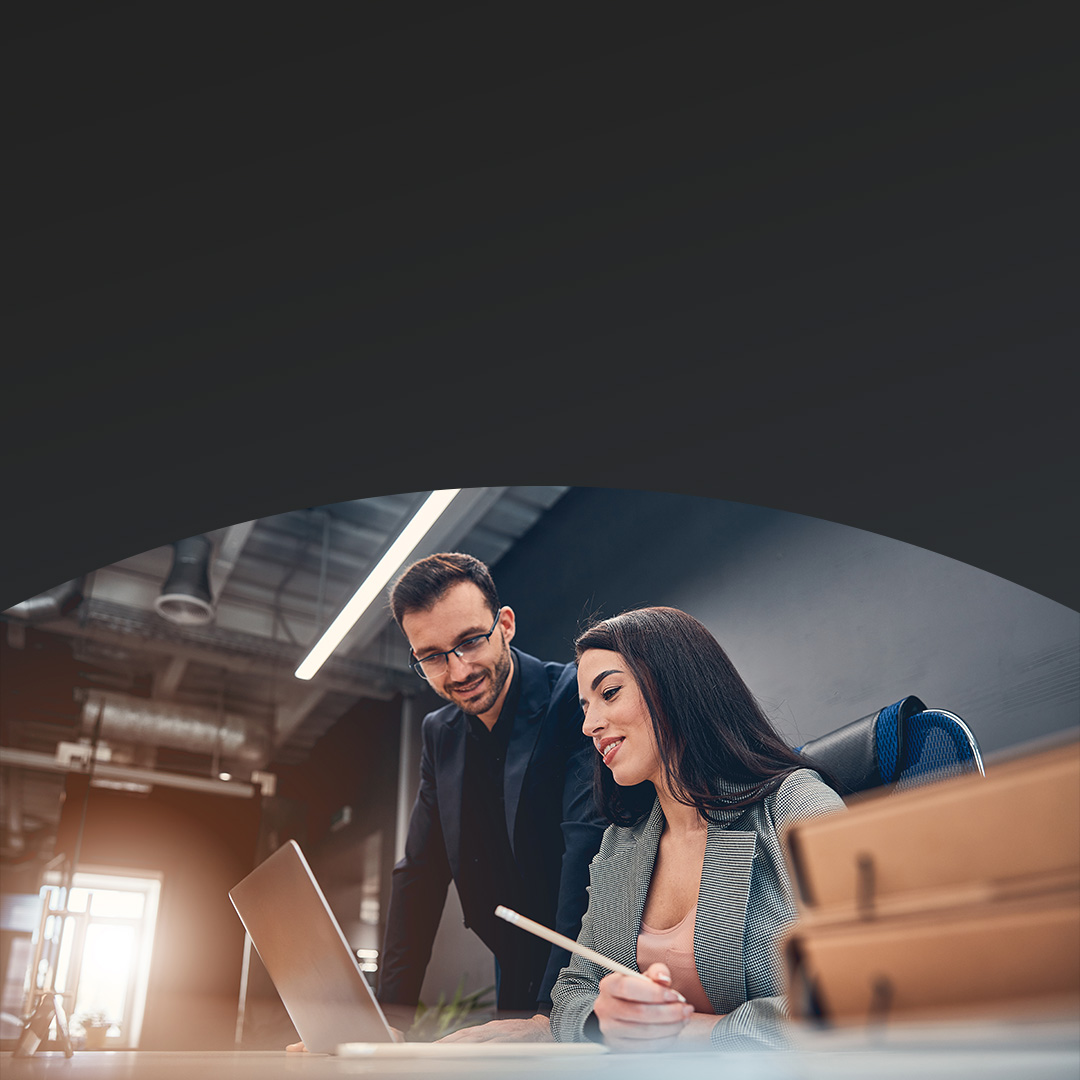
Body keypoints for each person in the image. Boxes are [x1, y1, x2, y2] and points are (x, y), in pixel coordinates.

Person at [543, 606, 846, 1051]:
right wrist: (601, 1019)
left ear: (673, 685)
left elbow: (861, 988)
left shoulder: (795, 806)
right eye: (585, 707)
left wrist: (699, 1031)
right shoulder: (619, 845)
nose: (590, 725)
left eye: (609, 693)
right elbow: (574, 988)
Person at [375, 552, 607, 1036]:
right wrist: (388, 1019)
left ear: (505, 624)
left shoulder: (569, 697)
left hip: (587, 957)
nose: (457, 671)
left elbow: (583, 851)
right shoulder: (440, 732)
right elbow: (419, 873)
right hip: (512, 956)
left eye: (468, 642)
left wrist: (551, 1012)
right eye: (432, 655)